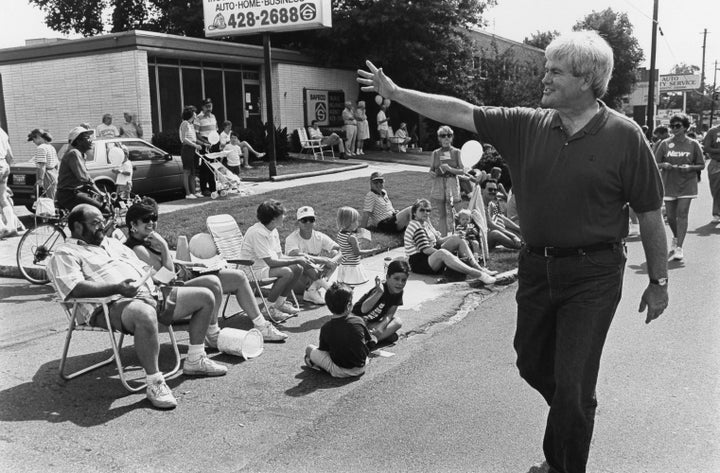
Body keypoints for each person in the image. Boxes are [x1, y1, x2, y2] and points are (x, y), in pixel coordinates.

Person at [359, 30, 669, 473]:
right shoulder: (526, 123)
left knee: (573, 386)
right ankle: (572, 408)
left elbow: (651, 214)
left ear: (586, 80)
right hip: (537, 267)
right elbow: (460, 111)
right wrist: (396, 93)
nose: (544, 78)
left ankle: (564, 454)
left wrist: (658, 282)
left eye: (555, 71)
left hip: (595, 272)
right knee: (532, 363)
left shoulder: (625, 136)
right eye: (546, 68)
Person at [47, 204, 228, 409]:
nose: (102, 226)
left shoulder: (113, 244)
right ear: (78, 227)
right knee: (144, 313)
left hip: (149, 293)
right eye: (95, 223)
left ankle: (195, 359)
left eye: (102, 221)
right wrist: (117, 288)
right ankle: (155, 382)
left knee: (205, 296)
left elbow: (146, 270)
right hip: (109, 305)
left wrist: (165, 278)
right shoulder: (65, 253)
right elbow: (74, 288)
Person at [124, 198, 288, 341]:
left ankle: (261, 325)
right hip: (176, 288)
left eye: (154, 218)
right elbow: (166, 277)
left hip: (189, 275)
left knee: (238, 276)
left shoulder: (148, 241)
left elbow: (171, 263)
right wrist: (165, 246)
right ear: (133, 224)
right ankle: (212, 332)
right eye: (146, 219)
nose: (152, 222)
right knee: (214, 282)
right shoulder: (139, 250)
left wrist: (193, 265)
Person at [239, 200, 310, 318]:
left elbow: (279, 256)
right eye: (281, 215)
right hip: (251, 271)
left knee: (297, 268)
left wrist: (300, 257)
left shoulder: (273, 230)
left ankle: (279, 303)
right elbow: (271, 262)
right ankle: (268, 309)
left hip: (264, 268)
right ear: (273, 219)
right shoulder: (257, 233)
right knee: (286, 272)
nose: (284, 217)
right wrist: (297, 259)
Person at [403, 199, 496, 284]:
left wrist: (454, 236)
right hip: (419, 262)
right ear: (414, 213)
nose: (426, 213)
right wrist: (448, 255)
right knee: (442, 253)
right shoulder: (416, 226)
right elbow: (426, 250)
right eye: (422, 210)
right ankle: (478, 275)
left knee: (457, 239)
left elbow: (438, 241)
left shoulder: (425, 223)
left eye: (428, 210)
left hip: (428, 257)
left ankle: (480, 269)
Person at [655, 113, 705, 261]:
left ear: (685, 127)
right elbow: (654, 163)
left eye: (678, 126)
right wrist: (664, 164)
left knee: (682, 214)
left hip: (687, 184)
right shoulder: (665, 144)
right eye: (672, 126)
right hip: (669, 183)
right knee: (670, 217)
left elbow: (701, 165)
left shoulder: (693, 144)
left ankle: (679, 247)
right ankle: (676, 237)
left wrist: (690, 168)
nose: (674, 129)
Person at [304, 282, 371, 378]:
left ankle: (317, 366)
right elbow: (368, 340)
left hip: (340, 370)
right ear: (349, 305)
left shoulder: (326, 327)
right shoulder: (358, 320)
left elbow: (324, 350)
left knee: (309, 349)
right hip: (362, 366)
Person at [284, 205, 340, 305]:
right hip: (296, 281)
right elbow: (297, 255)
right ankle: (329, 289)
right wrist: (324, 260)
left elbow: (339, 249)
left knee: (335, 255)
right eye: (304, 220)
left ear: (315, 221)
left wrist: (333, 258)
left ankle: (312, 290)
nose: (308, 223)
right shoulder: (291, 238)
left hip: (313, 279)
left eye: (311, 219)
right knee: (303, 260)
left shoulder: (319, 236)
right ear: (298, 222)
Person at [351, 259, 408, 347]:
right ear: (388, 277)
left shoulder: (399, 292)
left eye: (403, 280)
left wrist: (381, 326)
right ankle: (374, 339)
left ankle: (368, 341)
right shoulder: (380, 289)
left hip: (371, 324)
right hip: (357, 320)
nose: (400, 283)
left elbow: (390, 314)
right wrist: (379, 293)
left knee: (397, 322)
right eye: (396, 279)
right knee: (392, 336)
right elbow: (363, 309)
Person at [56, 127, 107, 212]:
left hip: (75, 192)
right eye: (87, 138)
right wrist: (99, 192)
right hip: (69, 194)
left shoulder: (80, 154)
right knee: (103, 210)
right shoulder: (74, 153)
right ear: (78, 141)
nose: (91, 140)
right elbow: (84, 178)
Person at [429, 125, 464, 235]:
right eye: (443, 136)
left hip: (452, 183)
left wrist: (450, 169)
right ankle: (443, 239)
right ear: (439, 138)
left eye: (449, 135)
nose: (446, 138)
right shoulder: (435, 153)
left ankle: (459, 236)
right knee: (442, 214)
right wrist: (432, 173)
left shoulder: (457, 152)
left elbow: (462, 171)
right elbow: (431, 170)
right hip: (439, 184)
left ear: (452, 137)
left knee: (456, 213)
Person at [335, 206, 378, 285]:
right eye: (356, 221)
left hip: (344, 264)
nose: (358, 223)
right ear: (349, 222)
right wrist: (372, 251)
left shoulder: (340, 233)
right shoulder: (352, 237)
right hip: (352, 266)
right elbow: (357, 252)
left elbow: (346, 246)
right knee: (351, 287)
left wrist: (356, 243)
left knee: (345, 287)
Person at [482, 178, 522, 250]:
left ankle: (528, 242)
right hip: (482, 239)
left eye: (495, 190)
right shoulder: (480, 205)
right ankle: (522, 246)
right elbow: (491, 225)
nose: (493, 191)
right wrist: (513, 236)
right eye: (490, 189)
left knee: (512, 229)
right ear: (482, 190)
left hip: (491, 232)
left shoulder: (492, 204)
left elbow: (502, 218)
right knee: (495, 233)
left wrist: (518, 229)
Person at [0, 126, 22, 238]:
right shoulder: (2, 133)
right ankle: (11, 227)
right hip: (4, 165)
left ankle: (1, 228)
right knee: (3, 198)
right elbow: (10, 156)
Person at [195, 98, 218, 196]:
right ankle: (204, 189)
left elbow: (216, 130)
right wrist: (205, 142)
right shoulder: (198, 118)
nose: (209, 108)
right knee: (204, 167)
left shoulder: (213, 116)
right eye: (207, 106)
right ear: (202, 107)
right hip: (204, 144)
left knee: (213, 166)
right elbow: (196, 134)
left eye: (210, 106)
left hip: (213, 143)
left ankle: (213, 188)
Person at [28, 128, 59, 200]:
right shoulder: (51, 147)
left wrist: (40, 179)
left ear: (38, 137)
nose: (33, 142)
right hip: (53, 173)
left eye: (33, 139)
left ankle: (50, 211)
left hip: (46, 174)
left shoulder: (41, 148)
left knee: (47, 199)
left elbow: (42, 165)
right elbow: (57, 163)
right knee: (53, 196)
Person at [179, 106, 202, 199]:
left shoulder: (191, 124)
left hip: (192, 150)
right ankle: (188, 194)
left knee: (193, 172)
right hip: (187, 149)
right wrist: (194, 145)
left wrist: (203, 144)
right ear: (191, 114)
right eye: (194, 112)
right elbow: (184, 139)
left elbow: (194, 138)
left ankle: (194, 192)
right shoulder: (185, 123)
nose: (196, 114)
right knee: (187, 171)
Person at [702, 123, 720, 223]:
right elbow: (706, 147)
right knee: (716, 190)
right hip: (716, 164)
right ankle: (717, 213)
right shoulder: (713, 131)